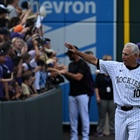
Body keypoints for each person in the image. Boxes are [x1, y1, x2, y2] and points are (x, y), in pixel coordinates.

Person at [64, 42, 140, 140]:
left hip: (136, 112)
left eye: (126, 54)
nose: (123, 56)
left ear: (135, 56)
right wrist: (78, 52)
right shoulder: (115, 67)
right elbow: (94, 60)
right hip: (120, 112)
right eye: (122, 53)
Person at [60, 46, 91, 140]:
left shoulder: (83, 64)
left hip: (83, 93)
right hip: (72, 93)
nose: (69, 56)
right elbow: (71, 78)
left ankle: (85, 136)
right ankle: (74, 136)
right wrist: (64, 73)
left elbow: (78, 77)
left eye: (70, 54)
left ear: (74, 53)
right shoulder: (71, 65)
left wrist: (66, 73)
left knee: (84, 116)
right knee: (72, 117)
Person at [95, 55, 116, 137]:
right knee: (102, 116)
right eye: (107, 60)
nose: (109, 61)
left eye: (111, 60)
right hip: (102, 98)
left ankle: (113, 130)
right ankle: (99, 130)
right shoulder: (99, 74)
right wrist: (97, 97)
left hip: (112, 98)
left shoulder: (113, 73)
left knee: (112, 116)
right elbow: (96, 86)